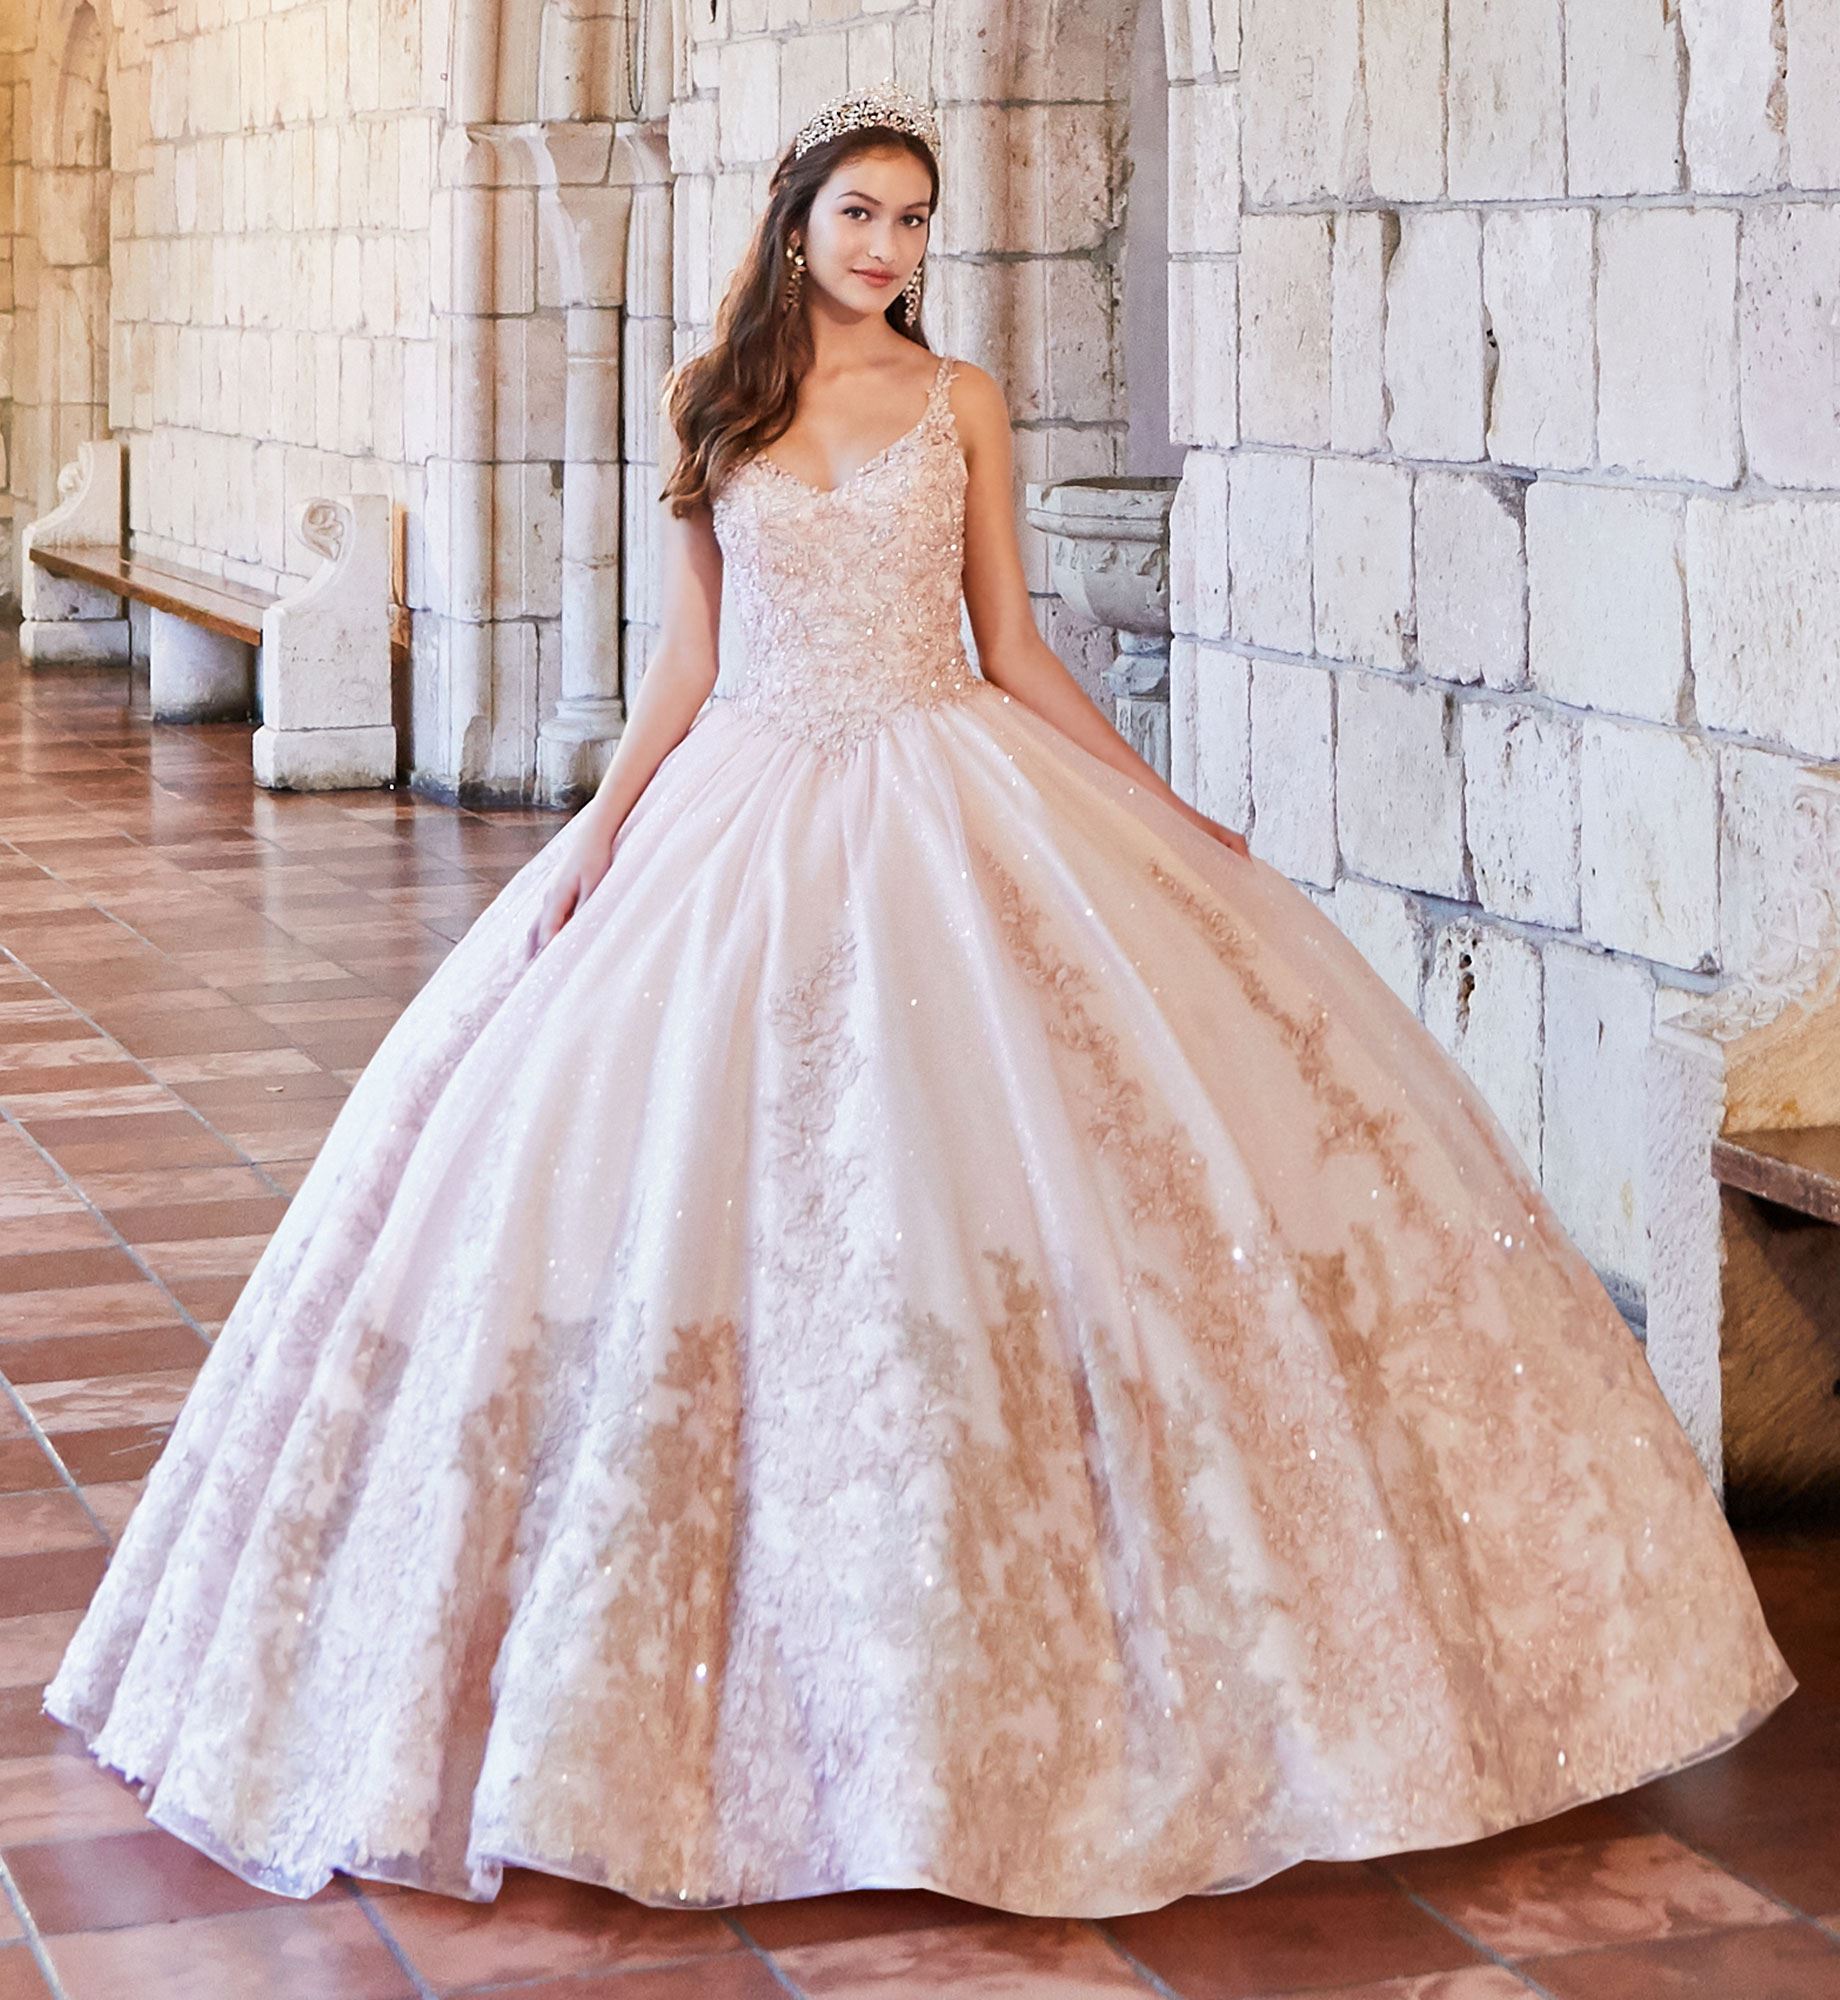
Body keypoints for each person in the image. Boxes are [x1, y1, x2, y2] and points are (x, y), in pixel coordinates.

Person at [43, 80, 1795, 1920]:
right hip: (747, 800)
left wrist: (1164, 806)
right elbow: (687, 667)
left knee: (1007, 1155)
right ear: (799, 220)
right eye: (866, 215)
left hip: (950, 791)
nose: (893, 251)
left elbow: (1011, 642)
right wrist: (598, 834)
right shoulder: (705, 409)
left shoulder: (961, 403)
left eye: (917, 224)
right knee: (699, 1184)